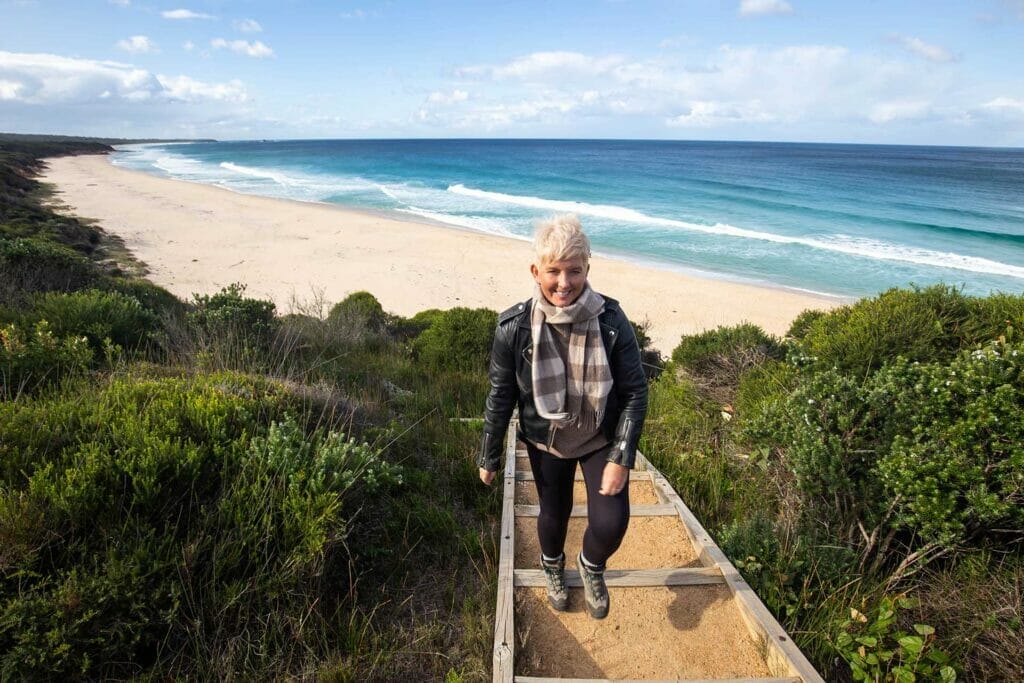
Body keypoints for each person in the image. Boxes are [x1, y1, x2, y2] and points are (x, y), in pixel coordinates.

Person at [477, 214, 648, 619]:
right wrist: (489, 455)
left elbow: (636, 392)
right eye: (553, 271)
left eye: (574, 270)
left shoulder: (610, 320)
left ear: (588, 268)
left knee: (611, 522)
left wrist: (621, 456)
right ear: (536, 271)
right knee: (554, 515)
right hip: (546, 439)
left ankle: (590, 566)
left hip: (598, 436)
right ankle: (552, 566)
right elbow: (501, 395)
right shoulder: (514, 327)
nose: (564, 282)